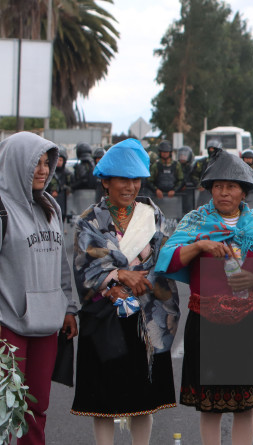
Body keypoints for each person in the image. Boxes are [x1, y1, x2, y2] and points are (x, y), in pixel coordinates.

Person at [155, 150, 253, 445]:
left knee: (245, 407)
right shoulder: (195, 222)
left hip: (247, 327)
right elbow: (167, 258)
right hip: (206, 325)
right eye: (218, 186)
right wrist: (200, 245)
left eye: (231, 187)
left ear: (244, 192)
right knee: (210, 406)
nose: (224, 192)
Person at [70, 139, 180, 445]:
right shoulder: (87, 221)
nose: (130, 186)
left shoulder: (152, 215)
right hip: (103, 315)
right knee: (102, 398)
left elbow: (163, 259)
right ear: (105, 182)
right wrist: (117, 277)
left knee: (143, 397)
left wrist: (142, 279)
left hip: (145, 313)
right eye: (122, 179)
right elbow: (83, 268)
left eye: (135, 179)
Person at [0, 132, 78, 445]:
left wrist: (69, 307)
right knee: (8, 407)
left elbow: (61, 263)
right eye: (36, 162)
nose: (44, 169)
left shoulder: (51, 207)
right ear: (18, 163)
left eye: (48, 163)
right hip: (9, 324)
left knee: (37, 407)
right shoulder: (2, 209)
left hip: (48, 324)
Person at [47, 145, 73, 222]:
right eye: (57, 160)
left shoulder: (67, 173)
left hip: (64, 202)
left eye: (61, 160)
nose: (59, 162)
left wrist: (66, 189)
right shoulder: (50, 172)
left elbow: (71, 186)